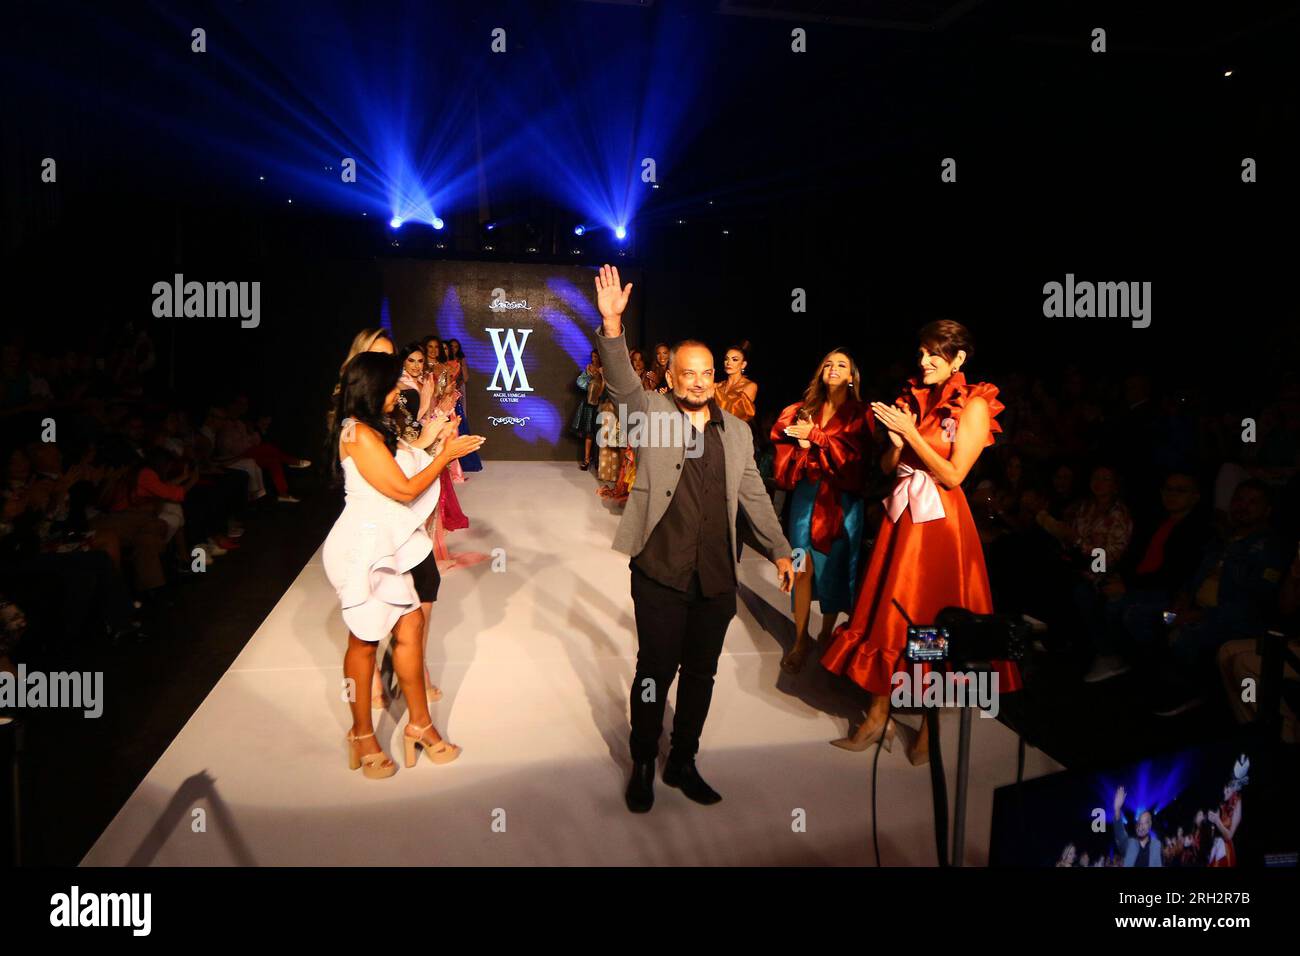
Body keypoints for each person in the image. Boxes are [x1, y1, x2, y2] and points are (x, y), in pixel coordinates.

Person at [593, 264, 795, 813]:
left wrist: (778, 548)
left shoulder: (737, 432)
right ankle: (642, 759)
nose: (699, 380)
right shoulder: (652, 415)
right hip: (660, 571)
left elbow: (754, 496)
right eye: (689, 372)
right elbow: (620, 384)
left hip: (716, 577)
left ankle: (683, 760)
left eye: (707, 372)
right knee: (655, 670)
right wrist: (613, 325)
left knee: (701, 674)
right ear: (674, 377)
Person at [821, 319, 1021, 764]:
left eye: (935, 354)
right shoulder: (913, 394)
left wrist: (912, 436)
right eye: (922, 351)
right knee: (888, 619)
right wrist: (895, 444)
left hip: (940, 528)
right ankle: (876, 718)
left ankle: (930, 730)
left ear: (959, 359)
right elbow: (893, 466)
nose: (924, 360)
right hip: (903, 520)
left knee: (933, 625)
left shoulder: (975, 404)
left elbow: (953, 475)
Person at [323, 352, 484, 778]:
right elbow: (403, 487)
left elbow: (405, 463)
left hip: (393, 541)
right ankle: (361, 733)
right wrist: (445, 455)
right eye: (392, 386)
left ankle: (419, 724)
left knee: (411, 628)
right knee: (364, 642)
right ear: (370, 388)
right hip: (365, 548)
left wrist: (433, 443)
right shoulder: (355, 432)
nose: (399, 392)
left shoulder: (379, 426)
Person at [770, 348, 871, 675]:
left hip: (841, 504)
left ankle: (827, 632)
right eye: (828, 363)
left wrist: (816, 437)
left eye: (842, 364)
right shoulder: (805, 409)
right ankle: (800, 640)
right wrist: (801, 449)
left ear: (852, 376)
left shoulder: (860, 414)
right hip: (806, 499)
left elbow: (855, 462)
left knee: (834, 569)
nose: (833, 368)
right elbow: (789, 454)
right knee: (800, 566)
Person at [1112, 785, 1162, 866]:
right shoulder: (1130, 844)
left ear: (1150, 826)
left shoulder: (1156, 845)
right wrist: (1117, 809)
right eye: (1139, 822)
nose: (1141, 825)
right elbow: (1120, 834)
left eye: (1145, 822)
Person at [715, 342, 758, 422]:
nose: (728, 363)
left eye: (734, 359)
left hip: (735, 431)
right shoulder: (717, 386)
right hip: (713, 430)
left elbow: (739, 415)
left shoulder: (750, 386)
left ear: (743, 365)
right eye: (726, 359)